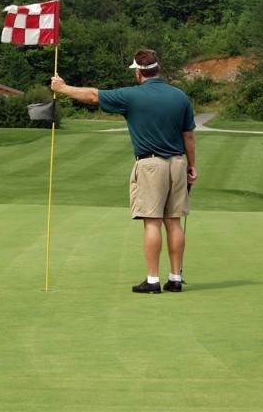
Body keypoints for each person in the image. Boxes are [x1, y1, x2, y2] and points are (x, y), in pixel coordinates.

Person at [51, 48, 197, 294]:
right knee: (173, 222)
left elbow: (93, 96)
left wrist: (63, 88)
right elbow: (189, 136)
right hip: (177, 163)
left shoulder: (131, 96)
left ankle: (152, 281)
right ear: (157, 70)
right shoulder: (179, 96)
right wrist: (192, 165)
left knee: (152, 222)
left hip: (151, 164)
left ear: (139, 72)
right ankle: (174, 278)